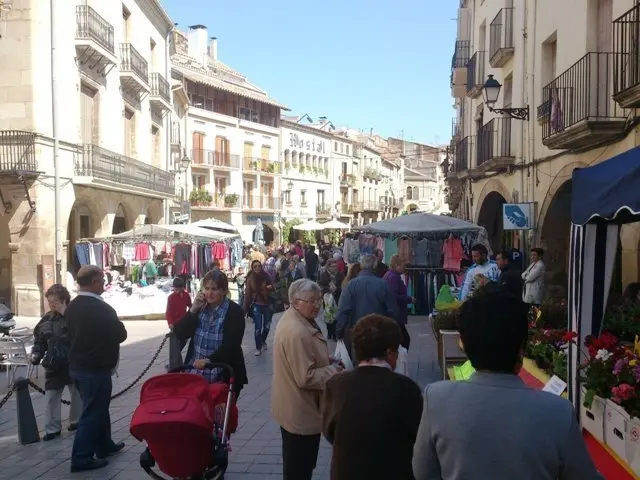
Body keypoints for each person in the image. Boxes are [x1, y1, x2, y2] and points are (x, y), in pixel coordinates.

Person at [412, 283, 603, 480]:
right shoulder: (558, 411)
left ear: (463, 343)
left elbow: (423, 472)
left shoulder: (437, 398)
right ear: (522, 347)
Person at [323, 314, 423, 480]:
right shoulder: (406, 388)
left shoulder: (336, 384)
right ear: (390, 353)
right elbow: (418, 436)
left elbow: (330, 431)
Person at [272, 279, 343, 480]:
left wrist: (324, 360)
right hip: (300, 410)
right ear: (296, 301)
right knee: (299, 468)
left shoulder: (296, 320)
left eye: (318, 300)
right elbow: (305, 377)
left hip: (293, 407)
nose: (317, 305)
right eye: (311, 301)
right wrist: (332, 370)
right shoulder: (298, 331)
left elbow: (303, 359)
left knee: (297, 465)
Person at [66, 265, 127, 472]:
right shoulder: (101, 308)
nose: (104, 283)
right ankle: (81, 457)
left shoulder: (73, 306)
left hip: (78, 366)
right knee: (92, 412)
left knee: (98, 407)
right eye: (102, 280)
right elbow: (120, 334)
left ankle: (104, 444)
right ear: (93, 282)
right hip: (95, 368)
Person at [173, 270, 248, 397]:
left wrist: (209, 360)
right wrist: (192, 310)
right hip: (196, 374)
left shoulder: (234, 312)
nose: (209, 293)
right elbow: (180, 332)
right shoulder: (201, 308)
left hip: (222, 374)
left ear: (224, 291)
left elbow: (232, 345)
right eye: (206, 288)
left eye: (214, 289)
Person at [31, 284, 82, 441]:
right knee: (51, 396)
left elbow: (81, 335)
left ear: (64, 299)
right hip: (53, 363)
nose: (52, 304)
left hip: (72, 362)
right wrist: (36, 355)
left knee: (77, 394)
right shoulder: (46, 319)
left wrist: (64, 312)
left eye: (55, 301)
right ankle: (52, 429)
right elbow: (40, 340)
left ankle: (76, 421)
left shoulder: (74, 316)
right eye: (50, 300)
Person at [336, 255, 398, 361]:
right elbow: (392, 311)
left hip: (357, 332)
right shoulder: (383, 284)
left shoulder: (351, 285)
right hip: (379, 332)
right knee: (378, 362)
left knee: (359, 363)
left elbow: (343, 310)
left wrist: (340, 331)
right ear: (375, 266)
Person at [383, 255, 414, 350]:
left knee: (399, 340)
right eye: (403, 265)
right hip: (396, 313)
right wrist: (409, 299)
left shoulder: (389, 275)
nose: (404, 268)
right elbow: (394, 296)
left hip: (392, 313)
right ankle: (399, 361)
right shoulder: (394, 277)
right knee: (404, 340)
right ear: (397, 265)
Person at [243, 259, 274, 356]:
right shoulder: (250, 278)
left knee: (267, 326)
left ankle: (263, 340)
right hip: (256, 304)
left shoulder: (266, 276)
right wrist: (245, 309)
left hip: (267, 304)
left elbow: (272, 286)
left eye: (259, 266)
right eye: (255, 266)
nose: (257, 268)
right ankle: (258, 347)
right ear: (252, 268)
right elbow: (247, 294)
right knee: (258, 327)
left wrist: (269, 288)